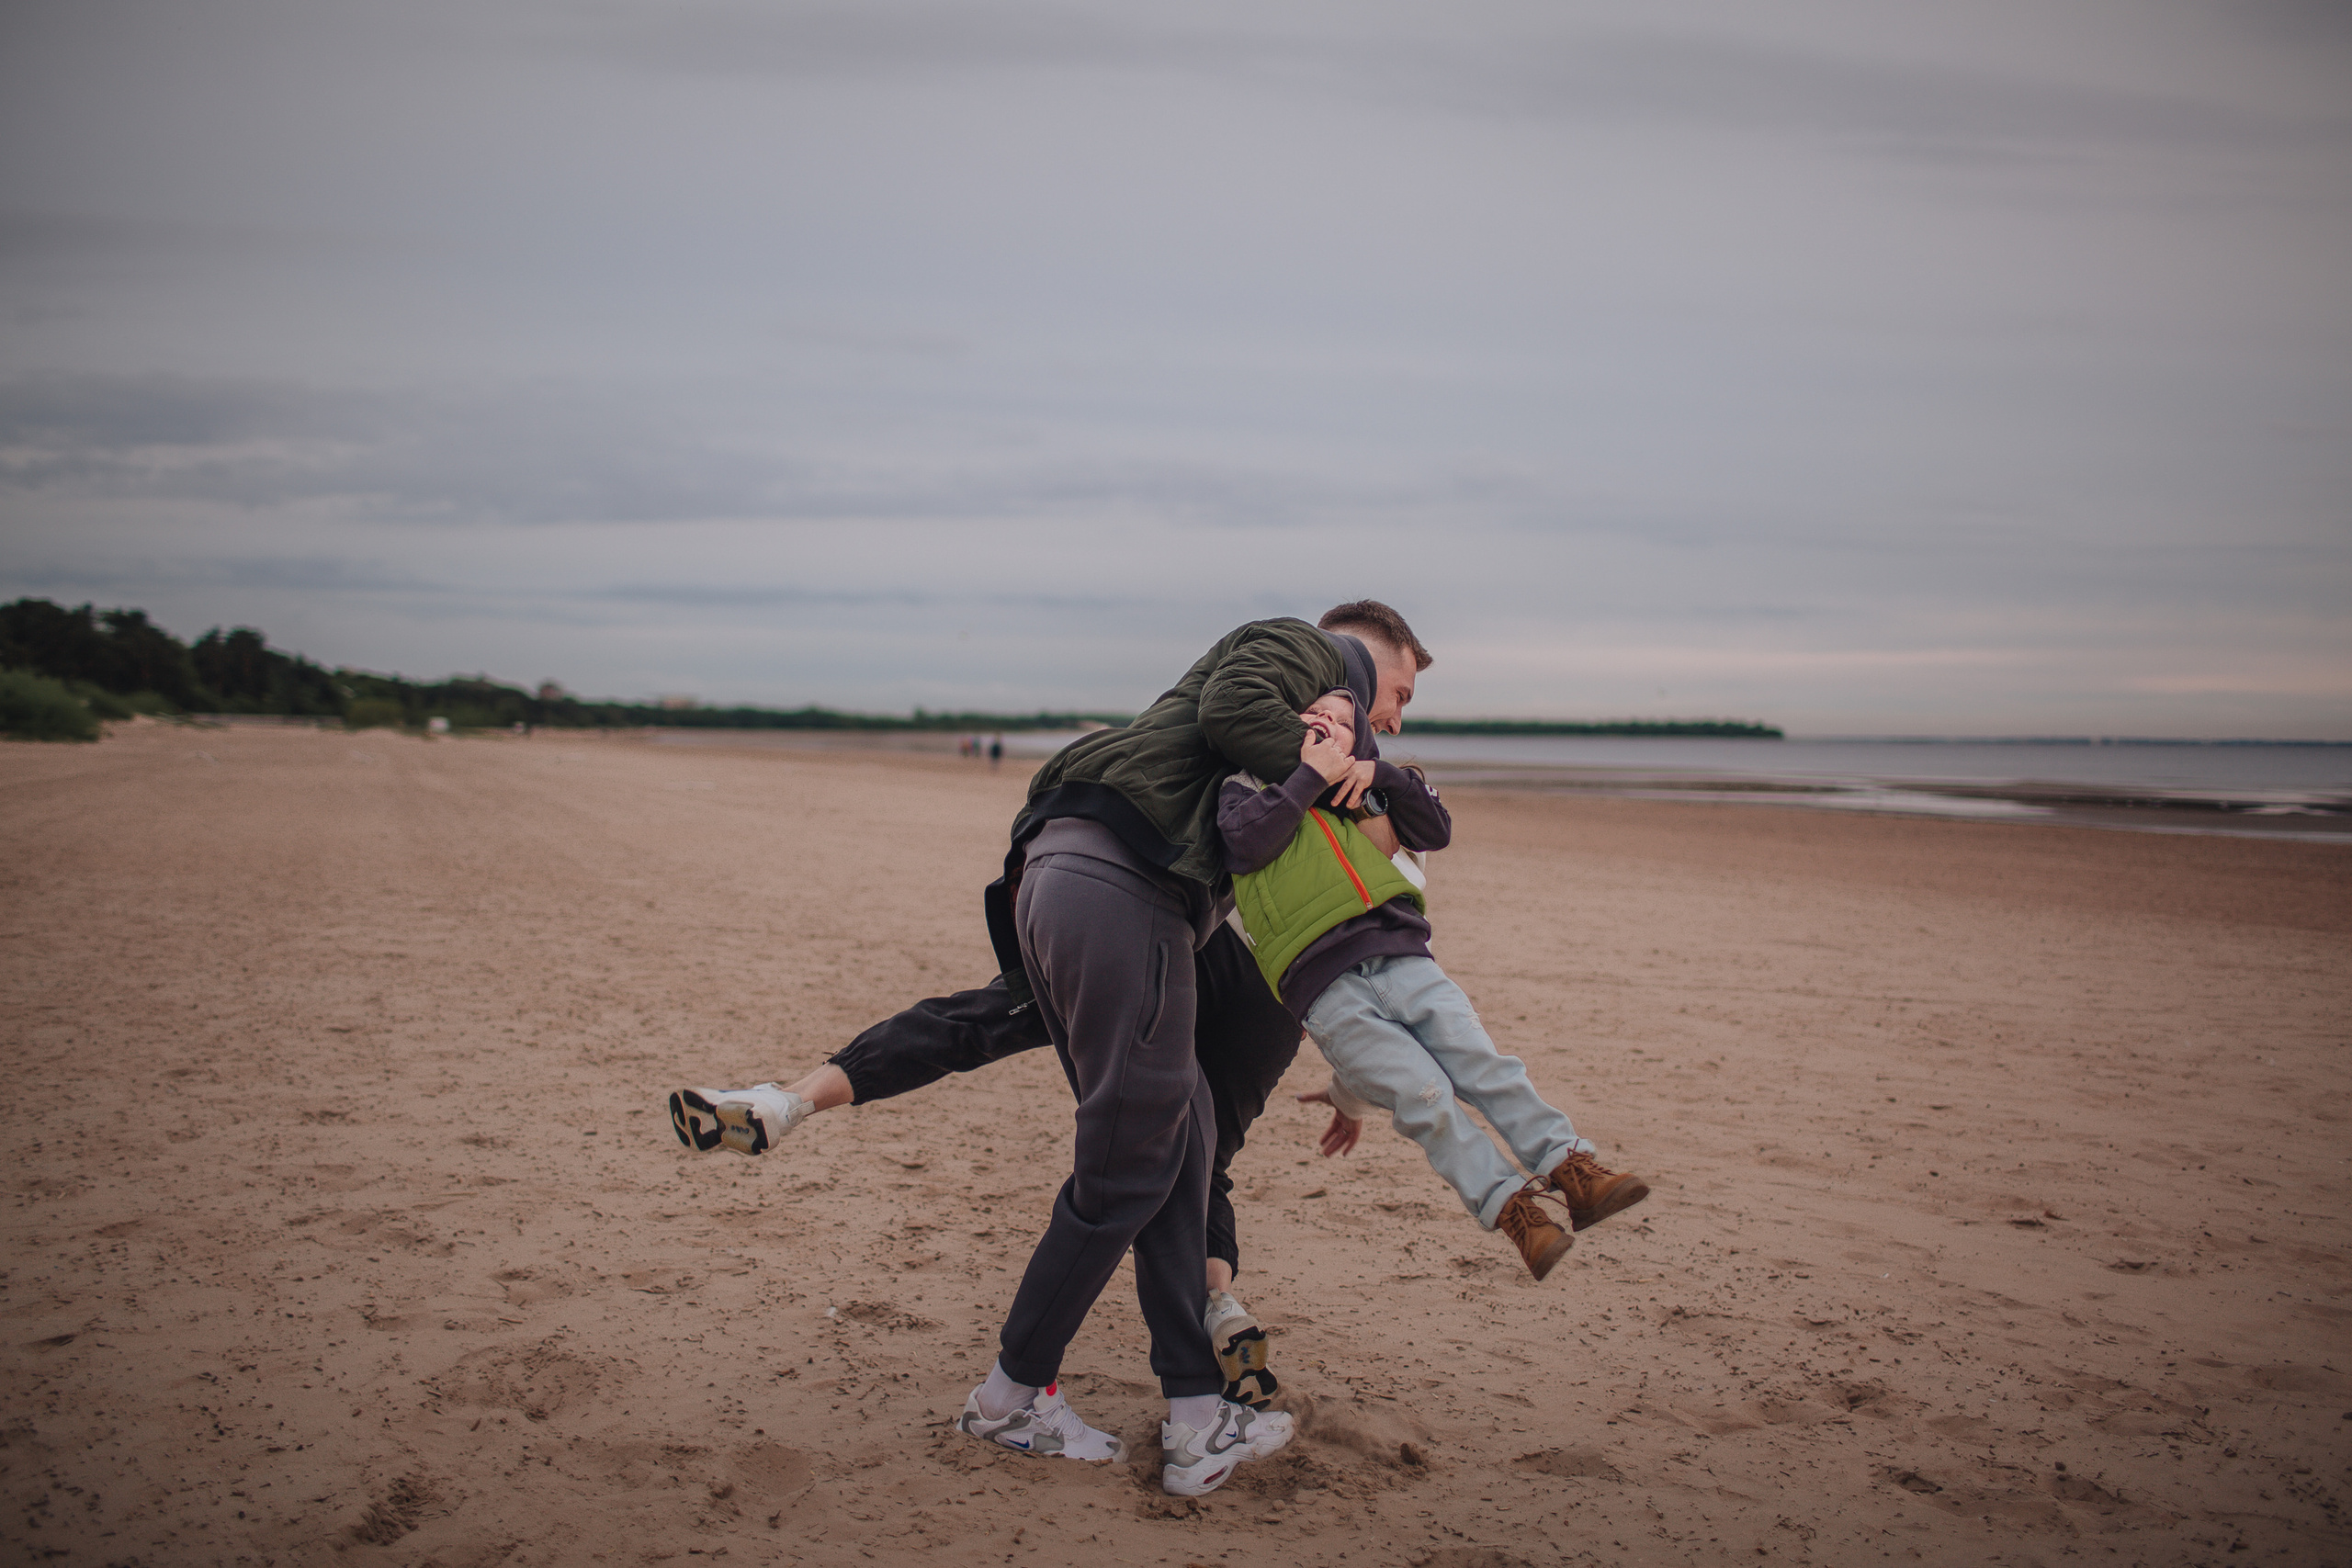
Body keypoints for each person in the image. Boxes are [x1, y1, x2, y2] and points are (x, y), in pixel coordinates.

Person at [673, 603, 1430, 1497]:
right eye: (1399, 694)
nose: (1391, 719)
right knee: (1137, 1167)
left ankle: (1193, 1406)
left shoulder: (1264, 753)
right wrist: (1337, 774)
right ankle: (1022, 1396)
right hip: (1128, 887)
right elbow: (1240, 716)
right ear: (1367, 656)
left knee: (1140, 1117)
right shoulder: (1313, 652)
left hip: (1067, 874)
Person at [1219, 690, 1649, 1280]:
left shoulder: (1360, 792)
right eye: (1313, 713)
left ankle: (1572, 1167)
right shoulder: (1247, 786)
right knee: (1422, 1097)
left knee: (1482, 1063)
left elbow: (1433, 830)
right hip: (1321, 989)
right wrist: (1306, 776)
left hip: (1402, 955)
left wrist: (1382, 775)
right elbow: (1243, 844)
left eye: (1342, 722)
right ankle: (1514, 1211)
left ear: (1358, 743)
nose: (1324, 722)